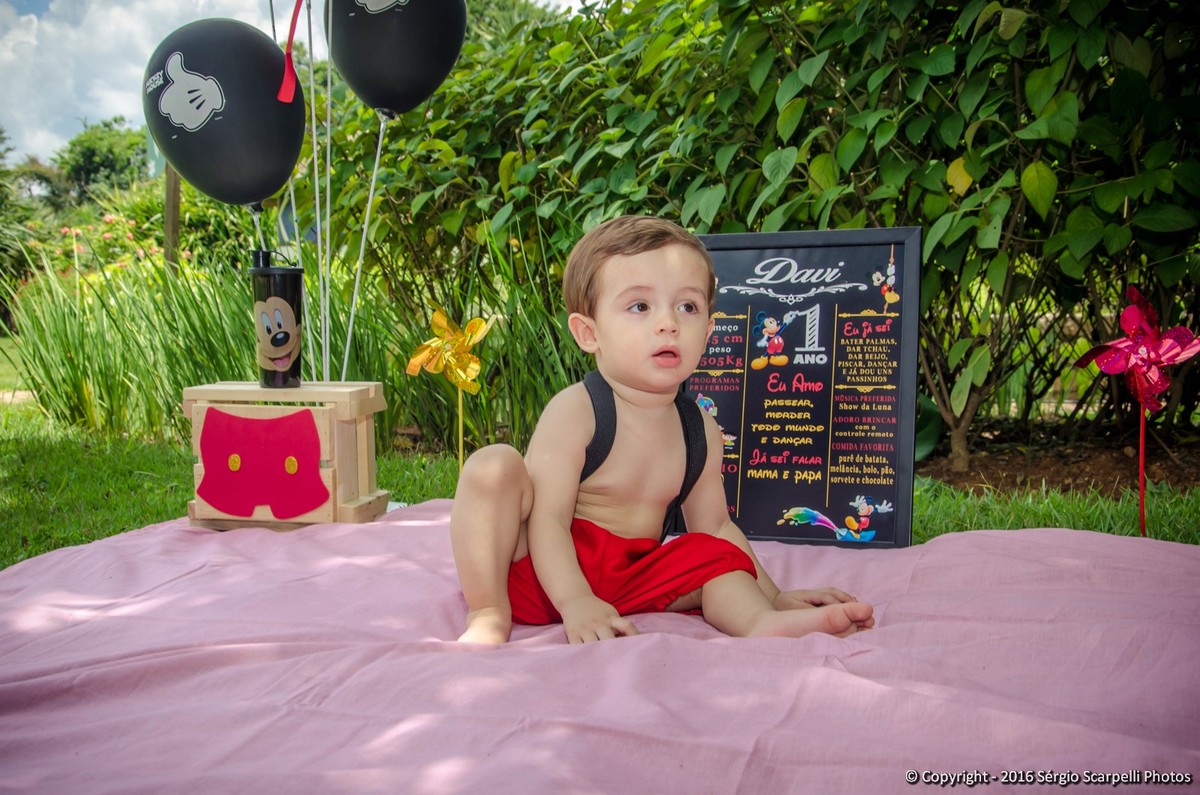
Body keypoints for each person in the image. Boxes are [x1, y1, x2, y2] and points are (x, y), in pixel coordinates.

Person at [450, 215, 874, 644]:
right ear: (589, 333)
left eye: (687, 307)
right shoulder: (578, 411)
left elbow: (715, 528)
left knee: (712, 553)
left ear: (708, 333)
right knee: (493, 466)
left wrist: (775, 595)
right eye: (640, 307)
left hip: (634, 580)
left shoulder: (698, 430)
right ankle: (487, 612)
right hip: (541, 577)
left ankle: (760, 621)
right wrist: (576, 600)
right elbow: (549, 520)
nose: (669, 323)